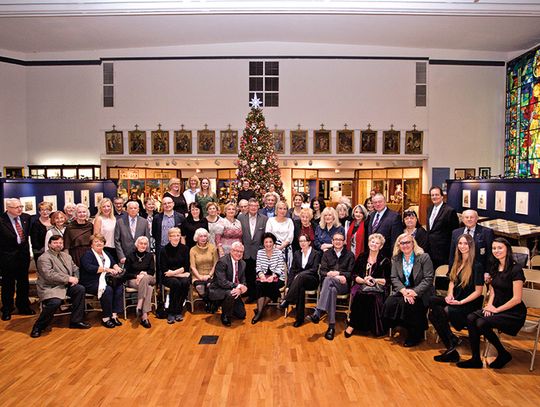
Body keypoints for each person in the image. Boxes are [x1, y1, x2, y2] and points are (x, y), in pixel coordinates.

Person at [457, 238, 526, 369]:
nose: (496, 251)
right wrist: (489, 305)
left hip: (513, 311)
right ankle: (476, 359)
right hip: (496, 306)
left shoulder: (516, 269)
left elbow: (517, 299)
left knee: (481, 323)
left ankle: (503, 353)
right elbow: (493, 292)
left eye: (500, 248)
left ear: (507, 249)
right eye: (494, 248)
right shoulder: (494, 267)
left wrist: (496, 310)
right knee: (471, 318)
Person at [429, 234, 484, 362]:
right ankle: (451, 341)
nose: (462, 246)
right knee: (432, 300)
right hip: (456, 299)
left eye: (465, 243)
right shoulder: (457, 262)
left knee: (437, 314)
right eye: (460, 243)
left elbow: (478, 291)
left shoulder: (477, 266)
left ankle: (451, 345)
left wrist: (461, 302)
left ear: (471, 246)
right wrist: (449, 295)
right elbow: (452, 282)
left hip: (468, 303)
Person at [31, 235, 91, 337]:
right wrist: (68, 278)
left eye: (60, 243)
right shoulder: (44, 258)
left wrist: (75, 279)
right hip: (50, 287)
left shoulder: (67, 256)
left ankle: (76, 321)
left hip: (65, 286)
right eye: (55, 243)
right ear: (49, 244)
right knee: (55, 302)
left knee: (80, 289)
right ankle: (38, 326)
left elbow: (75, 268)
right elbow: (49, 275)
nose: (58, 245)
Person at [383, 233, 434, 347]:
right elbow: (394, 278)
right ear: (398, 245)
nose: (405, 245)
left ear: (413, 243)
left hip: (421, 291)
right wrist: (404, 291)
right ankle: (400, 326)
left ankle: (415, 334)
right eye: (402, 243)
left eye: (408, 242)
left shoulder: (423, 257)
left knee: (411, 304)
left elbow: (428, 278)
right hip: (404, 290)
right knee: (390, 302)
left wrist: (414, 292)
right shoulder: (396, 259)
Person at [307, 232, 355, 340]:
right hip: (330, 285)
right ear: (332, 241)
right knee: (332, 289)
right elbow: (322, 271)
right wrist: (337, 276)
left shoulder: (349, 255)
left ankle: (318, 312)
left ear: (344, 242)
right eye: (335, 239)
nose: (338, 241)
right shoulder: (326, 254)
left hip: (343, 286)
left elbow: (351, 273)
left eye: (340, 239)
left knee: (328, 280)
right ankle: (331, 327)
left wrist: (337, 274)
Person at [345, 233, 391, 338]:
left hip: (378, 289)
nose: (374, 244)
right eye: (372, 242)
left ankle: (369, 326)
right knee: (360, 293)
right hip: (361, 284)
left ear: (381, 246)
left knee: (370, 296)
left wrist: (375, 280)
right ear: (369, 243)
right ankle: (353, 325)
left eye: (377, 243)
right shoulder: (362, 256)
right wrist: (363, 280)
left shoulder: (385, 260)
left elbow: (388, 280)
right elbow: (354, 274)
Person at [79, 234, 125, 328]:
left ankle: (114, 315)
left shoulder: (106, 253)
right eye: (96, 241)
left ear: (104, 244)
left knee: (119, 287)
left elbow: (113, 263)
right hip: (91, 281)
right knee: (107, 290)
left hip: (105, 279)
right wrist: (106, 269)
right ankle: (106, 318)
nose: (99, 243)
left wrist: (117, 268)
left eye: (101, 241)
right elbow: (89, 268)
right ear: (91, 245)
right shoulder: (87, 254)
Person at [0, 198, 34, 320]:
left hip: (23, 256)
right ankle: (7, 309)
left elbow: (26, 236)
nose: (20, 209)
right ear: (8, 208)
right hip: (7, 257)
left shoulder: (26, 218)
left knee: (23, 283)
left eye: (21, 206)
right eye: (17, 207)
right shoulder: (2, 220)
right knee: (8, 284)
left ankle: (23, 306)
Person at [279, 233, 321, 327]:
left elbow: (314, 269)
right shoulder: (297, 253)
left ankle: (287, 300)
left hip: (312, 280)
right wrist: (288, 286)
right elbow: (292, 271)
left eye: (304, 241)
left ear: (309, 242)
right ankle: (299, 319)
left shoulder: (316, 253)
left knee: (300, 277)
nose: (302, 243)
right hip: (299, 282)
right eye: (300, 241)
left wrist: (300, 275)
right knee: (300, 288)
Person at [208, 241, 248, 326]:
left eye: (241, 252)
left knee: (242, 315)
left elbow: (243, 281)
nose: (239, 253)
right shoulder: (222, 262)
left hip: (232, 289)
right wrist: (238, 286)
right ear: (231, 251)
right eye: (236, 251)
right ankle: (225, 315)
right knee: (231, 293)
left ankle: (227, 305)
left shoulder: (243, 263)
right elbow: (222, 282)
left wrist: (240, 290)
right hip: (218, 289)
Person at [252, 233, 286, 324]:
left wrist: (273, 276)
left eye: (270, 242)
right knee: (259, 284)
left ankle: (259, 311)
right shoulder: (260, 252)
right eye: (266, 242)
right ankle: (260, 310)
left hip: (277, 278)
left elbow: (280, 268)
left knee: (271, 285)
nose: (268, 244)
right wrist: (261, 275)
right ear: (263, 243)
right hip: (263, 277)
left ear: (274, 243)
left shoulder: (278, 252)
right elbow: (258, 267)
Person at [449, 209, 494, 278]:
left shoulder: (486, 232)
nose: (469, 219)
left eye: (471, 217)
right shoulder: (456, 233)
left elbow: (490, 254)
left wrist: (488, 271)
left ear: (476, 219)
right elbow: (452, 253)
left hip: (479, 271)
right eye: (466, 217)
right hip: (460, 269)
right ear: (462, 219)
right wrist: (451, 271)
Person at [159, 227, 190, 324]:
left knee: (185, 282)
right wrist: (178, 274)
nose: (176, 238)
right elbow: (164, 269)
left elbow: (186, 266)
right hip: (168, 276)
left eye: (178, 235)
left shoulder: (185, 249)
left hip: (176, 273)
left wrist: (174, 273)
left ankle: (178, 310)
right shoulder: (164, 250)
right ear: (169, 237)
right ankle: (171, 312)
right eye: (173, 236)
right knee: (176, 283)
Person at [239, 198, 268, 302]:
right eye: (251, 205)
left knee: (259, 274)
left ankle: (259, 295)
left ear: (258, 207)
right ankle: (251, 295)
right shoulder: (241, 217)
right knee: (248, 274)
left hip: (259, 251)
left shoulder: (264, 219)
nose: (253, 208)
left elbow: (265, 236)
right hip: (245, 251)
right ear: (248, 207)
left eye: (255, 206)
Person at [123, 236, 156, 329]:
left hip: (148, 278)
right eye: (141, 243)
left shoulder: (150, 256)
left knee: (145, 279)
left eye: (145, 244)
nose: (143, 245)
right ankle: (144, 316)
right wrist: (136, 276)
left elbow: (152, 271)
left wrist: (143, 275)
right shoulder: (130, 256)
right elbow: (126, 273)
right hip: (133, 280)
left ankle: (139, 304)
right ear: (137, 244)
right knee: (149, 288)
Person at [426, 186, 459, 270]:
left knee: (441, 274)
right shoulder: (429, 208)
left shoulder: (450, 211)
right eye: (432, 195)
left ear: (442, 196)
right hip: (430, 248)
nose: (434, 197)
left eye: (436, 195)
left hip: (443, 250)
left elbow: (455, 233)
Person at [366, 193, 402, 259]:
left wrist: (394, 257)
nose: (377, 204)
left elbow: (396, 240)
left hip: (386, 256)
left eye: (380, 202)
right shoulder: (371, 215)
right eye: (375, 202)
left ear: (385, 202)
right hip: (372, 255)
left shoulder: (394, 217)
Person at [190, 228, 218, 312]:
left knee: (210, 286)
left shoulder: (213, 248)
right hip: (197, 274)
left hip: (211, 274)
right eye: (201, 236)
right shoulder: (192, 250)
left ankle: (210, 304)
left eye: (205, 236)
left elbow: (216, 263)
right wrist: (199, 277)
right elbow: (193, 266)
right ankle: (209, 302)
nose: (203, 238)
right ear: (197, 238)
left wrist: (209, 275)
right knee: (199, 287)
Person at [265, 201, 294, 268]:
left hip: (286, 249)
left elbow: (290, 237)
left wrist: (281, 247)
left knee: (285, 272)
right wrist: (275, 246)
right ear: (276, 209)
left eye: (284, 209)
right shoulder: (270, 220)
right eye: (280, 208)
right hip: (272, 249)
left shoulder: (289, 221)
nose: (282, 211)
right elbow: (268, 235)